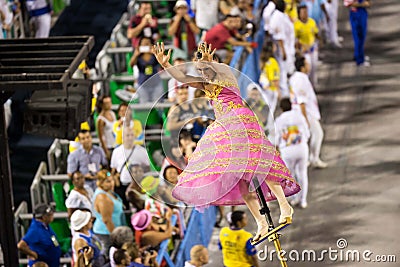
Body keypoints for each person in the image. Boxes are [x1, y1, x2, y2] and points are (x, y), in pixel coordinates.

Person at [152, 42, 300, 242]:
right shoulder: (205, 84)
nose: (202, 73)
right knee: (241, 184)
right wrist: (166, 65)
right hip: (224, 128)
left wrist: (209, 62)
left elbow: (216, 68)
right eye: (199, 70)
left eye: (205, 69)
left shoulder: (226, 76)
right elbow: (183, 77)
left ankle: (284, 205)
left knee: (259, 166)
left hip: (241, 123)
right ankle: (261, 222)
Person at [289, 55, 328, 168]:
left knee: (306, 136)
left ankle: (309, 159)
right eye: (307, 64)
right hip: (306, 113)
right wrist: (305, 118)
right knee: (317, 133)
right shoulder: (300, 80)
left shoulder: (297, 77)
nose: (309, 66)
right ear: (302, 67)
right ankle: (313, 158)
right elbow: (301, 101)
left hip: (303, 111)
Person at [275, 98, 310, 208]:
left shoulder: (279, 120)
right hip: (301, 148)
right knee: (302, 173)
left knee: (290, 176)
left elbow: (276, 138)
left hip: (287, 150)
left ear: (281, 108)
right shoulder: (299, 116)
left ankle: (294, 198)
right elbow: (307, 132)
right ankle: (303, 200)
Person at [92, 170, 126, 256]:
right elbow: (107, 220)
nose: (111, 183)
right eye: (108, 181)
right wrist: (116, 239)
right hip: (106, 234)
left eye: (112, 180)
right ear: (100, 182)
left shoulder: (109, 191)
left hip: (114, 231)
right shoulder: (102, 197)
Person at [130, 37, 164, 103]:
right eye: (144, 44)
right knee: (144, 105)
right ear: (140, 45)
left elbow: (162, 64)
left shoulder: (154, 55)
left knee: (157, 105)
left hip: (156, 84)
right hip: (142, 85)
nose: (146, 45)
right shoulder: (138, 56)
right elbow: (131, 65)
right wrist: (135, 55)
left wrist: (155, 53)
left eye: (147, 43)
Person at [344, 0, 371, 66]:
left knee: (362, 36)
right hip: (355, 14)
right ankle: (360, 60)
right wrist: (361, 4)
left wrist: (357, 4)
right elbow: (347, 4)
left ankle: (358, 54)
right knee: (357, 37)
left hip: (362, 13)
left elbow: (368, 4)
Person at [96, 95, 116, 160]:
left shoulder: (112, 113)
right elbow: (101, 136)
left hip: (115, 144)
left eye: (110, 102)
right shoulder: (100, 119)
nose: (110, 104)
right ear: (102, 105)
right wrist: (106, 150)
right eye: (107, 103)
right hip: (108, 146)